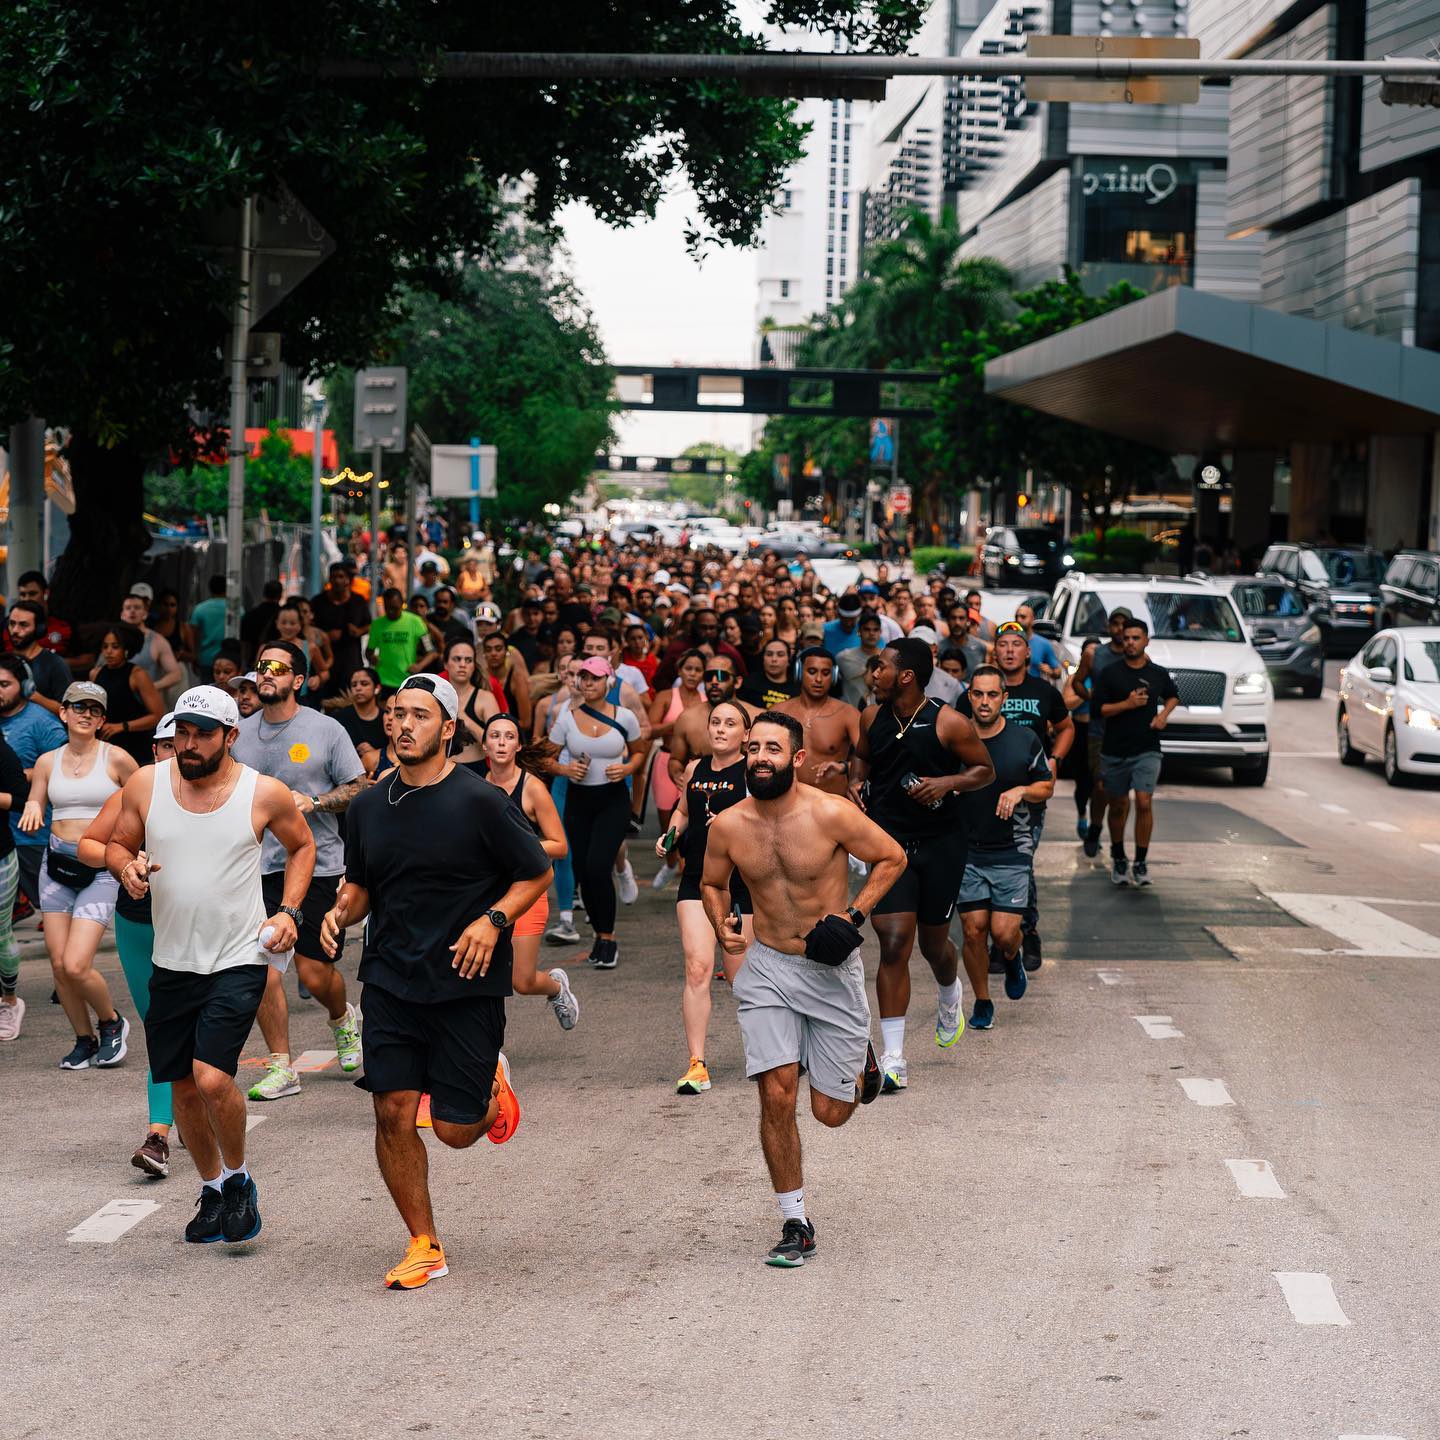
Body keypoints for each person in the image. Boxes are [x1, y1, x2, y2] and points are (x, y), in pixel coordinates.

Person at [318, 674, 551, 1290]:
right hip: (390, 979)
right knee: (391, 1110)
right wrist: (340, 912)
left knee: (455, 1130)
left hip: (465, 983)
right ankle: (424, 1243)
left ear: (448, 729)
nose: (403, 725)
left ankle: (491, 1091)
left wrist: (493, 921)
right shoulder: (368, 806)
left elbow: (536, 872)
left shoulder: (480, 802)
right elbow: (362, 884)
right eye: (398, 714)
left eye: (419, 715)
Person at [107, 684, 316, 1246]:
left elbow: (302, 847)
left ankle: (240, 1178)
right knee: (180, 1087)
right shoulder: (147, 783)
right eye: (182, 733)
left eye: (203, 734)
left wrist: (289, 910)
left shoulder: (262, 792)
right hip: (172, 960)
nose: (189, 744)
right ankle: (213, 1187)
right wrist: (126, 867)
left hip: (237, 957)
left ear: (230, 736)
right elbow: (117, 843)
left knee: (212, 1077)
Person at [700, 711, 905, 1267]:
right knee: (776, 1093)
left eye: (772, 748)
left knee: (830, 1114)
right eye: (753, 748)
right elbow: (712, 883)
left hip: (830, 970)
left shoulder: (829, 812)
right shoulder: (727, 826)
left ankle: (858, 1061)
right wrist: (721, 923)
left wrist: (852, 917)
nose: (760, 757)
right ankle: (795, 1221)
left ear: (796, 758)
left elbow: (893, 857)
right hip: (768, 967)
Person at [848, 638, 994, 1093]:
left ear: (906, 675)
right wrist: (855, 781)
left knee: (934, 945)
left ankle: (950, 990)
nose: (874, 674)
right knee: (893, 943)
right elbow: (862, 758)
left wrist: (947, 782)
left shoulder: (949, 722)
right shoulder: (871, 717)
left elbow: (984, 770)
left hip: (941, 845)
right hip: (889, 846)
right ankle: (893, 1058)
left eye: (881, 667)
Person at [233, 640, 367, 1102]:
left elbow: (359, 787)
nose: (266, 673)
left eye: (277, 667)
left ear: (298, 679)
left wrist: (316, 802)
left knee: (313, 973)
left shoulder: (326, 729)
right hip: (255, 866)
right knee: (263, 967)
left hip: (316, 863)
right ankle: (281, 1066)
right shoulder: (238, 734)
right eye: (261, 665)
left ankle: (342, 1017)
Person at [76, 713, 179, 1172]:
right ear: (154, 751)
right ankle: (158, 1135)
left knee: (200, 1024)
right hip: (138, 922)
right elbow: (87, 846)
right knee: (159, 1023)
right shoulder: (132, 793)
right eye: (167, 744)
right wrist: (123, 861)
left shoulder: (221, 795)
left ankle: (195, 1100)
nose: (177, 751)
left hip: (198, 924)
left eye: (188, 740)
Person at [20, 681, 138, 1068]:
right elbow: (36, 797)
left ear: (103, 720)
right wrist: (33, 806)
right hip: (56, 866)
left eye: (95, 709)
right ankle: (84, 1039)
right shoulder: (47, 762)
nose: (86, 714)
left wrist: (135, 849)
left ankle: (111, 1021)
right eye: (78, 707)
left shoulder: (116, 758)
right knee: (58, 965)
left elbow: (145, 800)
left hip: (100, 867)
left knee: (75, 964)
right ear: (63, 713)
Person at [957, 623, 1072, 971]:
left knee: (1020, 861)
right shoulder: (972, 696)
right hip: (979, 798)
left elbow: (1065, 727)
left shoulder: (1042, 690)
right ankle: (998, 938)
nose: (1009, 650)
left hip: (1025, 791)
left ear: (1028, 651)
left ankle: (1024, 931)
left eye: (1016, 644)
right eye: (1003, 644)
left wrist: (1054, 760)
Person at [660, 699, 752, 1096]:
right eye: (716, 722)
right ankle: (696, 1063)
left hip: (741, 882)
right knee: (697, 968)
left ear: (745, 735)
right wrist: (670, 834)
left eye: (730, 724)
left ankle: (771, 1051)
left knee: (741, 978)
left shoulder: (752, 771)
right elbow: (683, 811)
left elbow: (768, 818)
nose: (720, 729)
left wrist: (733, 822)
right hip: (697, 880)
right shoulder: (695, 769)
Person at [955, 667, 1056, 1029]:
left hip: (1012, 850)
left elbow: (1046, 786)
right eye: (978, 694)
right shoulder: (955, 738)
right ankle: (982, 1001)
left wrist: (1021, 790)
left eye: (992, 695)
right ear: (969, 696)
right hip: (967, 850)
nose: (985, 702)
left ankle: (1012, 958)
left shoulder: (1024, 738)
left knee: (1003, 933)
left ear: (1004, 698)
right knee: (973, 931)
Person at [481, 713, 578, 1030]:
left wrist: (520, 846)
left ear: (518, 746)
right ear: (484, 745)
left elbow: (560, 845)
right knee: (479, 972)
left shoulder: (532, 788)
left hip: (528, 891)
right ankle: (485, 1044)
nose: (501, 743)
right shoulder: (476, 787)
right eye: (495, 736)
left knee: (521, 981)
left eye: (509, 737)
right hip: (487, 893)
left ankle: (556, 987)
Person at [548, 657, 647, 968]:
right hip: (579, 801)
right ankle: (598, 937)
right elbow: (546, 759)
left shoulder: (625, 716)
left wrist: (627, 768)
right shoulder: (566, 719)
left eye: (596, 678)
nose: (589, 683)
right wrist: (566, 769)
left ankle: (608, 937)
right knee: (582, 869)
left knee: (597, 867)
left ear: (609, 682)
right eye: (585, 677)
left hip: (613, 800)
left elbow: (640, 752)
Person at [1095, 616, 1178, 888]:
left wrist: (1163, 715)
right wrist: (1127, 704)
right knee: (1118, 805)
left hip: (1147, 748)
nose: (1130, 642)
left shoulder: (1157, 673)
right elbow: (1099, 710)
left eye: (1136, 638)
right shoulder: (1110, 673)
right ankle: (1119, 855)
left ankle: (1141, 861)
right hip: (1115, 750)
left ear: (1146, 641)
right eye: (1127, 638)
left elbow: (1173, 695)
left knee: (1143, 801)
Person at [0, 654, 67, 914]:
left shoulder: (42, 722)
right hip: (5, 835)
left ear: (25, 685)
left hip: (32, 832)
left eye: (5, 684)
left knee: (50, 904)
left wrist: (20, 775)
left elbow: (66, 765)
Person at [646, 650, 706, 891]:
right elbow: (649, 730)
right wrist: (678, 723)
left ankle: (688, 868)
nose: (692, 674)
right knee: (668, 822)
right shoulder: (666, 696)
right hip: (666, 760)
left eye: (698, 670)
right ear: (680, 670)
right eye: (688, 668)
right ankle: (671, 863)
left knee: (695, 819)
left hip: (697, 764)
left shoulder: (707, 699)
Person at [1078, 607, 1130, 858]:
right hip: (1099, 731)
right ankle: (1095, 828)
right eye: (1115, 623)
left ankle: (1117, 845)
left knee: (1121, 795)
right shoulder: (1095, 654)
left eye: (1124, 624)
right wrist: (1091, 698)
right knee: (1100, 786)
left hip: (1126, 732)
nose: (1119, 629)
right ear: (1108, 627)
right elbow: (1077, 681)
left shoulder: (1137, 656)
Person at [777, 649, 860, 795]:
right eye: (812, 671)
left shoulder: (848, 714)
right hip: (788, 801)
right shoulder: (779, 711)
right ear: (799, 672)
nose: (819, 679)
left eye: (826, 673)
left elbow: (871, 759)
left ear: (834, 676)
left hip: (833, 801)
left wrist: (844, 767)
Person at [92, 622, 166, 764]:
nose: (109, 651)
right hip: (106, 745)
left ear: (126, 649)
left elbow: (157, 715)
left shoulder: (137, 674)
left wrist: (123, 726)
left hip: (135, 746)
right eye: (105, 646)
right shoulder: (95, 674)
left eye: (115, 647)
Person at [0, 731, 29, 1041]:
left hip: (1, 858)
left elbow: (22, 799)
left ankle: (9, 1001)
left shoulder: (2, 751)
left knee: (0, 932)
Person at [312, 563, 374, 698]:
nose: (337, 580)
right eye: (334, 577)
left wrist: (359, 631)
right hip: (324, 661)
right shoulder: (318, 602)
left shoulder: (358, 601)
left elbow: (369, 625)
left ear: (348, 580)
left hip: (350, 660)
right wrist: (324, 636)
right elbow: (309, 627)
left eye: (341, 576)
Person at [440, 638, 499, 772]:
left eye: (468, 660)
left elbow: (496, 743)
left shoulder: (485, 698)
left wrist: (463, 717)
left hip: (476, 770)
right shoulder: (436, 698)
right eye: (457, 659)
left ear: (474, 665)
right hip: (442, 770)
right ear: (446, 664)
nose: (463, 665)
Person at [6, 600, 73, 713]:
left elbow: (68, 711)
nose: (15, 630)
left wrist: (34, 696)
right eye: (12, 623)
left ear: (39, 629)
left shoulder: (55, 664)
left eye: (23, 625)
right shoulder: (4, 661)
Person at [1061, 637, 1097, 841]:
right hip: (1080, 730)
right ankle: (1082, 813)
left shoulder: (1105, 676)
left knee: (1098, 782)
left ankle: (1095, 825)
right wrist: (1087, 693)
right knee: (1082, 780)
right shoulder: (1074, 678)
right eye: (1088, 653)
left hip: (1100, 732)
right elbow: (1066, 703)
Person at [120, 593, 184, 697]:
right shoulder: (113, 639)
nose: (132, 611)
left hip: (145, 701)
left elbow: (175, 674)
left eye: (137, 607)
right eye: (128, 608)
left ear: (145, 614)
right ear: (122, 614)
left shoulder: (157, 640)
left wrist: (150, 687)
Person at [333, 667, 386, 773]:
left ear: (377, 688)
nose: (358, 688)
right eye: (354, 685)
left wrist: (375, 754)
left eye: (364, 684)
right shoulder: (338, 717)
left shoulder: (387, 718)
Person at [836, 611, 885, 706]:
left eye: (875, 630)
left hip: (879, 712)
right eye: (867, 629)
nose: (871, 633)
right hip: (850, 712)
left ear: (880, 632)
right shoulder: (843, 658)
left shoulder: (887, 659)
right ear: (859, 632)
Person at [738, 638, 799, 710]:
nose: (774, 659)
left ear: (789, 660)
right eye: (769, 654)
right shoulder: (748, 683)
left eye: (780, 655)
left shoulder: (797, 689)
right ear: (763, 659)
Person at [188, 575, 229, 679]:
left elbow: (192, 633)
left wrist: (194, 655)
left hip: (206, 658)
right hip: (229, 659)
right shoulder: (235, 609)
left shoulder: (200, 609)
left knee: (207, 688)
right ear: (226, 588)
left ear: (210, 589)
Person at [240, 580, 284, 668]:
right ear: (280, 595)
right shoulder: (282, 615)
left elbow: (244, 642)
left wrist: (244, 663)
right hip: (278, 660)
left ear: (264, 594)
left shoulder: (251, 614)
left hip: (252, 661)